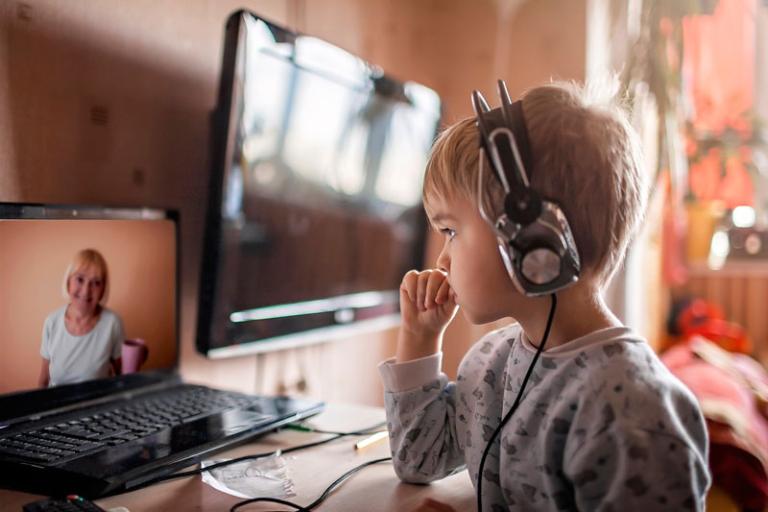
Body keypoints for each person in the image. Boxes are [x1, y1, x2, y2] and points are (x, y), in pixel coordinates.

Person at [378, 79, 711, 511]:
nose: (441, 259)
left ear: (534, 238)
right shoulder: (490, 364)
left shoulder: (633, 415)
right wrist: (420, 338)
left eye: (452, 231)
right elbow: (420, 462)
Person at [39, 249, 125, 387]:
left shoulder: (112, 323)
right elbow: (43, 380)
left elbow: (124, 378)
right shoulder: (51, 322)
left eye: (96, 283)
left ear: (103, 290)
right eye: (80, 279)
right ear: (68, 282)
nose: (86, 291)